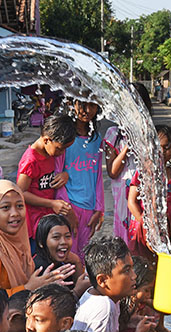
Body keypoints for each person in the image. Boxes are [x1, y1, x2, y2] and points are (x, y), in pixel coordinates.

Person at [72, 235, 159, 332]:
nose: (134, 276)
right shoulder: (103, 306)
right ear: (102, 280)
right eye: (126, 270)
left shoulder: (106, 297)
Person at [0, 180, 75, 296]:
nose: (15, 213)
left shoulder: (20, 244)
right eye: (6, 207)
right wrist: (28, 288)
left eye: (20, 206)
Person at [104, 83, 153, 248]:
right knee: (124, 237)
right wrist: (127, 147)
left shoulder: (150, 132)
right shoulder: (113, 134)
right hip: (122, 194)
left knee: (146, 232)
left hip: (144, 190)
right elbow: (112, 171)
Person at [56, 101, 105, 255]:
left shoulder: (96, 139)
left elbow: (97, 175)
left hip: (89, 209)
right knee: (66, 254)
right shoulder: (64, 138)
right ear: (73, 104)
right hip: (69, 205)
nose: (87, 110)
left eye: (92, 105)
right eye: (82, 104)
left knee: (82, 256)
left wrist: (99, 209)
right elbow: (56, 176)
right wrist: (66, 208)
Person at [127, 124, 171, 256]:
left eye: (167, 147)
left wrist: (169, 227)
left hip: (163, 230)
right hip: (141, 229)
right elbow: (131, 201)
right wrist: (147, 226)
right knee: (141, 261)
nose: (162, 151)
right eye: (158, 147)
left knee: (161, 261)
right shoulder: (143, 173)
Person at [16, 114, 75, 239]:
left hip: (47, 218)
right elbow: (21, 192)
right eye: (60, 148)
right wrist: (51, 203)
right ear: (47, 140)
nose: (62, 153)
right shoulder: (31, 160)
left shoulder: (50, 154)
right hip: (34, 221)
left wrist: (65, 175)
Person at [119, 257, 171, 332]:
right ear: (134, 286)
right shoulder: (122, 306)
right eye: (146, 290)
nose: (149, 295)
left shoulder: (136, 303)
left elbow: (166, 311)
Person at [33, 214, 88, 297]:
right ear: (41, 242)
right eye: (56, 237)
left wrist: (77, 262)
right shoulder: (39, 269)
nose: (63, 242)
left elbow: (80, 285)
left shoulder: (66, 261)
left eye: (67, 236)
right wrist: (77, 292)